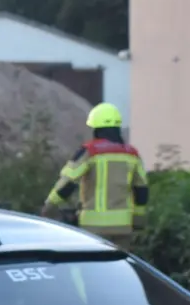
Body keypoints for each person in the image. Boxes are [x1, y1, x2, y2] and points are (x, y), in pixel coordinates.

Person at [39, 103, 148, 244]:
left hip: (93, 229)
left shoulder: (90, 151)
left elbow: (68, 182)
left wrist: (49, 205)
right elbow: (141, 189)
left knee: (87, 265)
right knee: (117, 265)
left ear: (96, 128)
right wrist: (139, 218)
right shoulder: (131, 154)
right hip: (123, 227)